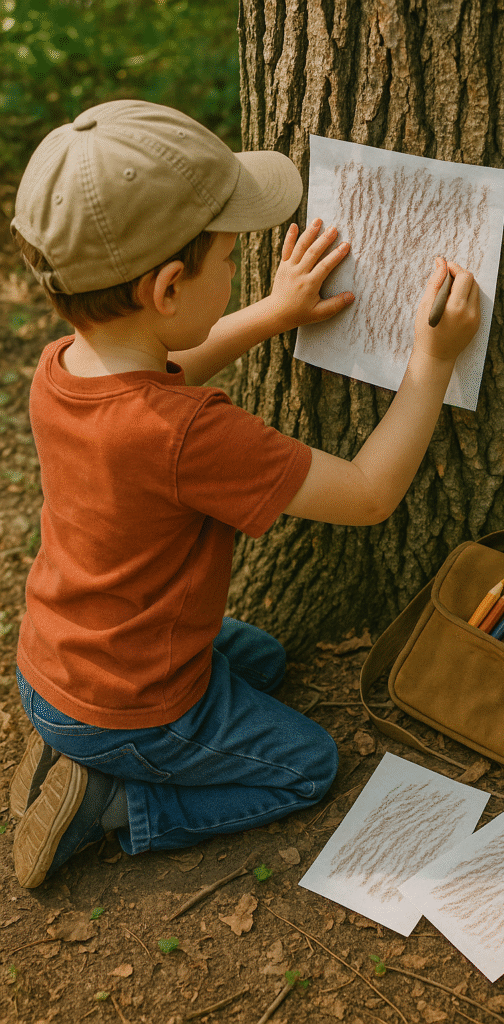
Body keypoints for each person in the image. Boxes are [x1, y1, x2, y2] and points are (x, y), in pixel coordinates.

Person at [9, 100, 480, 888]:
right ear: (165, 290)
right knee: (305, 766)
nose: (237, 273)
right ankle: (110, 799)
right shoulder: (190, 435)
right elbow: (366, 494)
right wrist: (432, 361)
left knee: (261, 657)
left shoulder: (62, 369)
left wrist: (273, 310)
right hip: (134, 700)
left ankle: (69, 740)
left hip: (56, 663)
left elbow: (168, 371)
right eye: (229, 262)